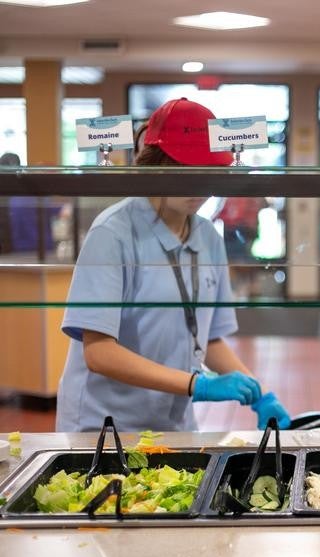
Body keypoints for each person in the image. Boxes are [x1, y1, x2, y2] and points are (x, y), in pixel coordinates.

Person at [56, 97, 291, 432]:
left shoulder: (207, 235)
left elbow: (208, 340)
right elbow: (99, 352)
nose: (199, 187)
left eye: (209, 172)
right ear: (155, 165)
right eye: (185, 171)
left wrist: (260, 394)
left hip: (173, 425)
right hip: (107, 428)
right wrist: (199, 384)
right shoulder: (113, 233)